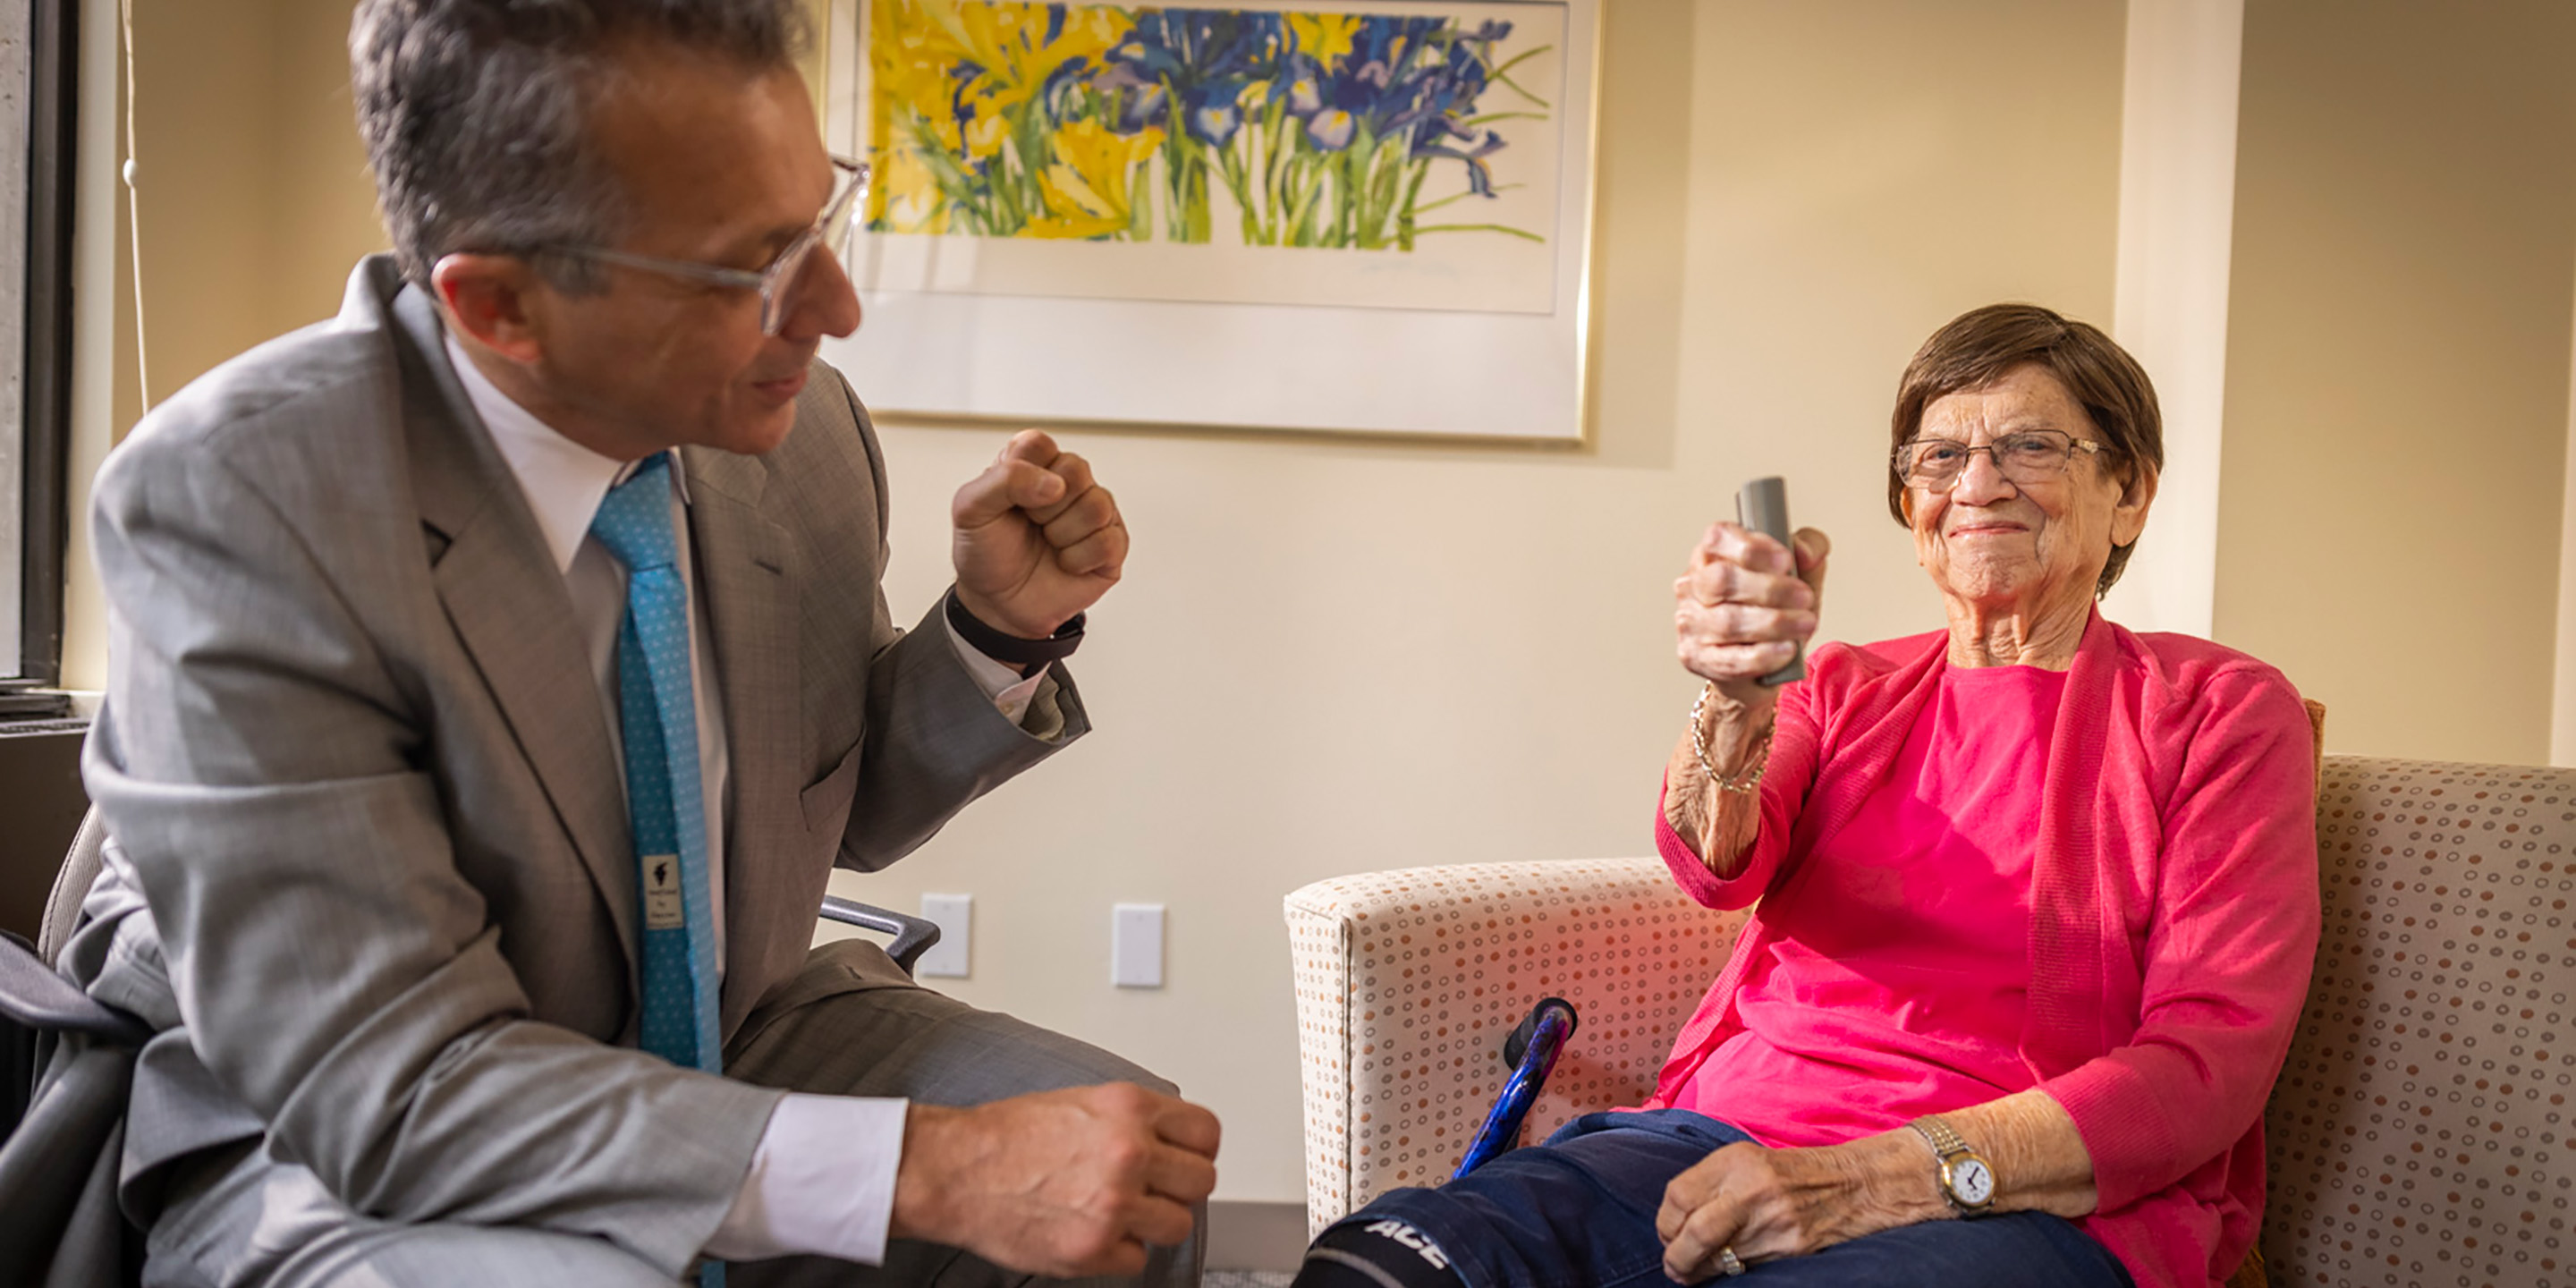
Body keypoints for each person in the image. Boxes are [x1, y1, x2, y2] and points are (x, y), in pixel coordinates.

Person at [61, 3, 1217, 1285]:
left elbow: (825, 810)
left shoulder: (804, 435)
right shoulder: (244, 501)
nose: (834, 309)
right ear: (500, 304)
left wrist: (996, 630)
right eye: (756, 266)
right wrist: (927, 1168)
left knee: (1129, 1163)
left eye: (819, 221)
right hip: (334, 1140)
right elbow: (386, 1088)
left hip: (735, 1027)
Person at [1292, 304, 2319, 1288]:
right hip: (1718, 1141)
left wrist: (1865, 1181)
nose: (1978, 484)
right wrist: (1736, 696)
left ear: (2130, 492)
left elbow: (2205, 1064)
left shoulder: (2217, 711)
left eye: (2030, 447)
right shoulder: (1842, 686)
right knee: (1390, 1257)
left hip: (2017, 1197)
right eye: (1939, 455)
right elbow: (1712, 863)